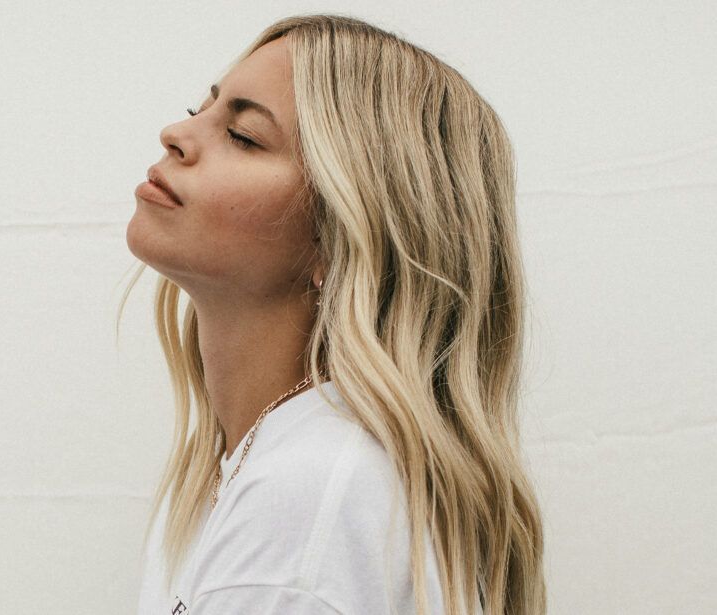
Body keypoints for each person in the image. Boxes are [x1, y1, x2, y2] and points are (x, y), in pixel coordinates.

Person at [121, 13, 546, 615]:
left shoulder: (309, 497)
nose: (175, 134)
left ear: (341, 234)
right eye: (199, 111)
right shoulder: (252, 474)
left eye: (243, 136)